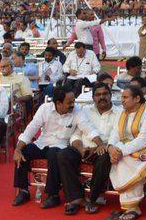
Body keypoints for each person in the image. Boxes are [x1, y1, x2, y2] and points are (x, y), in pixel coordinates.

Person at [12, 85, 101, 208]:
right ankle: (23, 191)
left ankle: (53, 195)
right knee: (24, 151)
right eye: (69, 102)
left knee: (55, 154)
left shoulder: (77, 111)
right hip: (42, 143)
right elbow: (31, 128)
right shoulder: (45, 109)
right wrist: (17, 149)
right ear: (58, 103)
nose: (73, 105)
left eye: (73, 101)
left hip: (61, 145)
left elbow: (88, 129)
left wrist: (101, 144)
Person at [57, 82, 121, 215]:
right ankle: (76, 198)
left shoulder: (120, 113)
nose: (101, 97)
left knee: (104, 158)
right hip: (83, 148)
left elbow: (119, 136)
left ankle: (92, 198)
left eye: (105, 94)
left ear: (111, 95)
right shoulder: (84, 111)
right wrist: (81, 148)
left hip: (104, 150)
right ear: (93, 98)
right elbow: (75, 134)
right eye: (98, 95)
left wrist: (104, 146)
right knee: (63, 154)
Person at [107, 85, 146, 220]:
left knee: (123, 160)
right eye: (122, 97)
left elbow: (144, 139)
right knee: (123, 159)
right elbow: (115, 133)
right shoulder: (121, 113)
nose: (122, 100)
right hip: (129, 152)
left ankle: (131, 208)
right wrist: (111, 148)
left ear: (137, 98)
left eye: (125, 97)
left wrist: (120, 151)